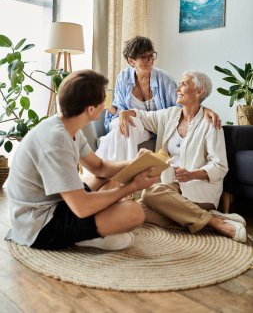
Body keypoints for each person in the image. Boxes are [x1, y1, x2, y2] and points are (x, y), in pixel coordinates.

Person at [4, 70, 160, 251]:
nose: (105, 105)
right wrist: (132, 187)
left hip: (59, 204)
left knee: (110, 176)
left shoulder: (68, 126)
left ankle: (92, 229)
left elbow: (100, 167)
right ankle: (85, 236)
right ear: (90, 109)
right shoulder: (56, 140)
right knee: (134, 213)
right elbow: (82, 207)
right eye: (102, 100)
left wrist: (136, 163)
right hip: (39, 225)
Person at [119, 71, 247, 243]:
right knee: (133, 210)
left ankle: (214, 221)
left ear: (199, 92)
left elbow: (220, 166)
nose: (178, 88)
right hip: (169, 189)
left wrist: (192, 174)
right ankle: (210, 219)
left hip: (198, 189)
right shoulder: (170, 115)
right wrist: (125, 113)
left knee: (150, 193)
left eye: (184, 84)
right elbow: (143, 115)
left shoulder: (210, 124)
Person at [97, 36, 220, 161]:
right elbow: (119, 109)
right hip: (129, 123)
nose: (150, 60)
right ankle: (126, 172)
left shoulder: (164, 79)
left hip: (152, 126)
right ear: (131, 61)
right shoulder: (123, 77)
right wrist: (111, 108)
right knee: (121, 126)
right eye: (144, 57)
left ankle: (111, 171)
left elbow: (184, 105)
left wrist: (204, 110)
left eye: (152, 55)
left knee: (121, 132)